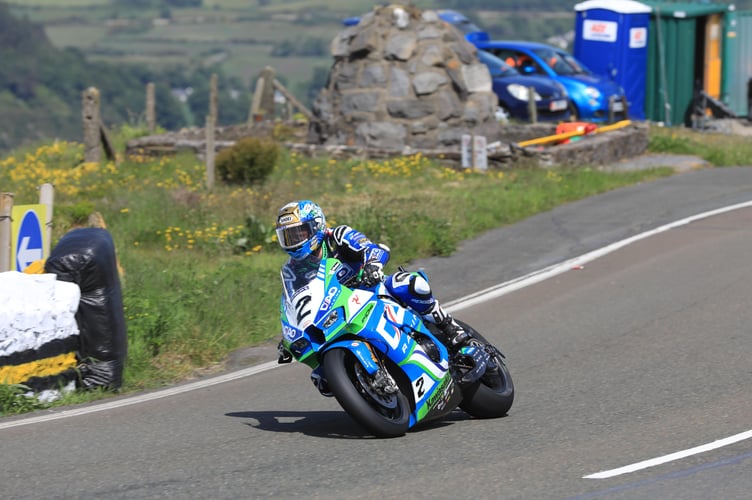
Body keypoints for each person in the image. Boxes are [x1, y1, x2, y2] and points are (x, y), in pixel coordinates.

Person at [274, 200, 471, 393]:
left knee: (408, 284)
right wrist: (290, 335)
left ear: (316, 226)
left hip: (372, 291)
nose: (294, 241)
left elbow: (375, 248)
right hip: (340, 311)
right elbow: (296, 301)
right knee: (322, 379)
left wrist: (372, 266)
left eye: (299, 233)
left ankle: (450, 328)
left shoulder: (337, 237)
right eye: (288, 237)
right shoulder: (294, 270)